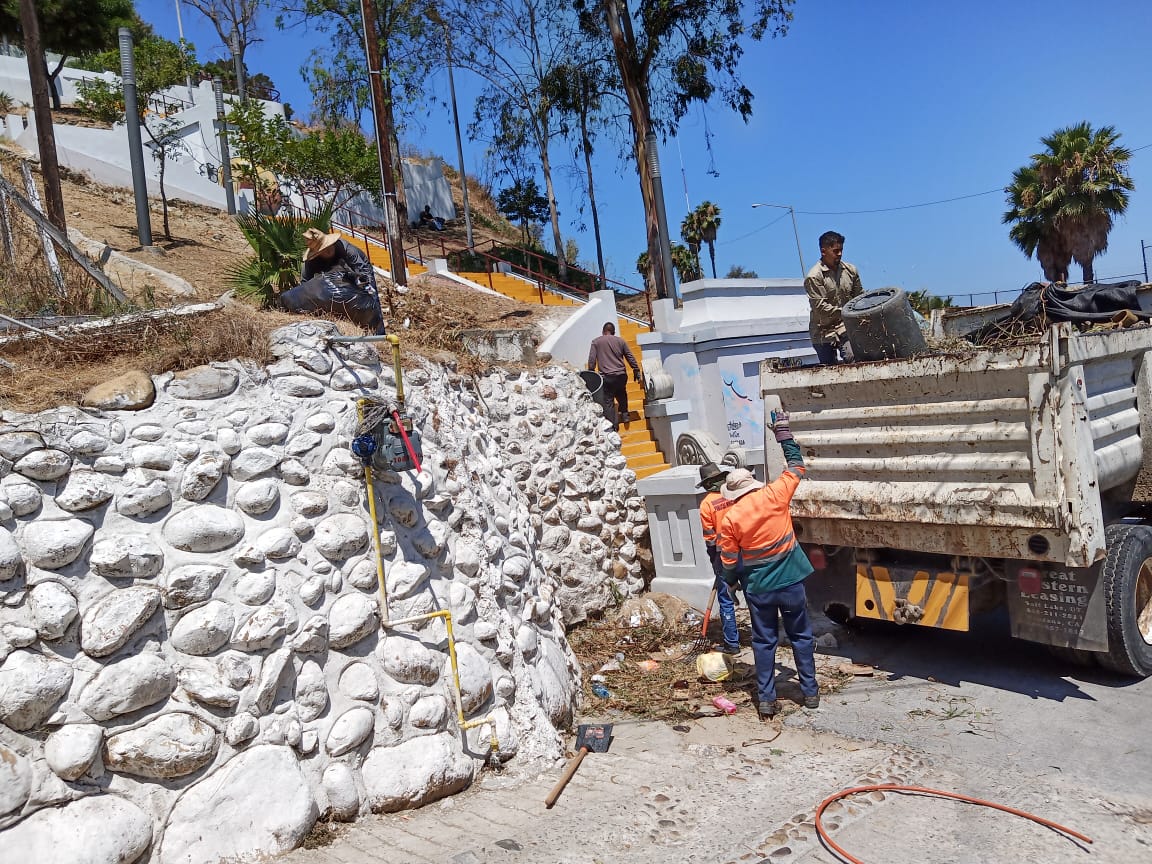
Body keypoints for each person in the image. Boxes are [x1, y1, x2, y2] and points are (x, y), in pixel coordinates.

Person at [718, 410, 819, 720]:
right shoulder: (775, 495)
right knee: (801, 636)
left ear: (733, 494)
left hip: (759, 588)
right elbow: (797, 466)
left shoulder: (730, 518)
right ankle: (810, 693)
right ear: (752, 484)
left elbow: (729, 560)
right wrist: (783, 434)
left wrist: (730, 582)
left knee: (764, 642)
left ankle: (766, 700)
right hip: (791, 583)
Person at [279, 228, 386, 334]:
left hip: (353, 274)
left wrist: (367, 291)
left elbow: (365, 274)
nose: (328, 251)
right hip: (331, 281)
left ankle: (378, 333)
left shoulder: (348, 250)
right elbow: (306, 285)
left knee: (371, 302)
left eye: (328, 246)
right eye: (323, 250)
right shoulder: (310, 262)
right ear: (316, 253)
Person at [697, 461, 740, 654]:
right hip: (746, 553)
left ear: (707, 484)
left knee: (726, 599)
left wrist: (714, 561)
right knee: (753, 595)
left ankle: (732, 644)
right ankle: (762, 637)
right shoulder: (735, 496)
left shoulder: (707, 504)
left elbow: (710, 539)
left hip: (724, 557)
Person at [804, 230, 863, 365]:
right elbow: (820, 307)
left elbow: (860, 297)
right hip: (822, 331)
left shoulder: (851, 271)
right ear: (823, 251)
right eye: (836, 251)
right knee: (829, 369)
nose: (840, 254)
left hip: (846, 326)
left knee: (854, 359)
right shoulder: (814, 277)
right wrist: (846, 312)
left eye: (841, 250)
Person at [587, 322, 642, 431]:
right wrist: (636, 369)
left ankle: (614, 426)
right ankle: (625, 414)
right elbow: (629, 356)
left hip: (607, 377)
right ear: (613, 332)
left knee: (609, 401)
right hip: (621, 375)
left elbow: (592, 360)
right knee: (622, 393)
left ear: (603, 332)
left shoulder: (596, 342)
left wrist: (591, 373)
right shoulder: (621, 341)